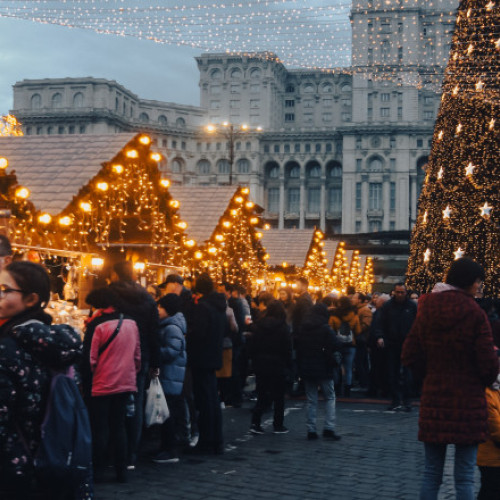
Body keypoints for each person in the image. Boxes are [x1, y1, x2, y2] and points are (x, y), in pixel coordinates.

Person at [402, 258, 499, 500]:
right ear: (469, 282)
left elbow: (409, 354)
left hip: (435, 398)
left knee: (431, 473)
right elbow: (488, 365)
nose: (479, 287)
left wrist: (429, 375)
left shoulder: (427, 310)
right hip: (468, 402)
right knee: (465, 476)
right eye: (478, 282)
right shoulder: (475, 314)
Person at [0, 261, 88, 499]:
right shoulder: (56, 344)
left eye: (4, 290)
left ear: (30, 299)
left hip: (12, 468)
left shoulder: (7, 347)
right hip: (54, 458)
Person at [109, 260, 160, 468]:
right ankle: (131, 453)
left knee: (112, 402)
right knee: (136, 402)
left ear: (114, 273)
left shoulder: (110, 294)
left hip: (113, 354)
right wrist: (155, 361)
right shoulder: (147, 297)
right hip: (142, 354)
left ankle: (113, 452)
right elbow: (154, 332)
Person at [88, 288, 141, 483]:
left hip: (102, 383)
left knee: (100, 427)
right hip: (125, 382)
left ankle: (99, 470)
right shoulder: (131, 323)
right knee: (119, 426)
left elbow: (91, 359)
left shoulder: (98, 326)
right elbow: (137, 355)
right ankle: (121, 470)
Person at [185, 273, 226, 454]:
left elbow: (198, 334)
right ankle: (216, 439)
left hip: (202, 357)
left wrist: (189, 337)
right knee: (212, 399)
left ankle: (206, 440)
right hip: (213, 355)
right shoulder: (219, 306)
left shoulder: (203, 307)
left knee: (204, 400)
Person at [296, 302, 342, 441]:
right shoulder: (325, 329)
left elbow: (298, 347)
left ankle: (311, 429)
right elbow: (336, 344)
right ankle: (329, 427)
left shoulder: (304, 328)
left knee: (311, 399)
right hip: (323, 366)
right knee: (330, 397)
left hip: (307, 366)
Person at [248, 300, 292, 434]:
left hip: (261, 363)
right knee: (279, 396)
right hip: (278, 364)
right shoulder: (284, 327)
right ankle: (278, 424)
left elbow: (253, 345)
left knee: (262, 394)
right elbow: (287, 349)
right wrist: (289, 365)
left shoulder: (259, 325)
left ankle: (256, 422)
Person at [153, 294, 187, 464]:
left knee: (168, 413)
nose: (157, 310)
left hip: (171, 376)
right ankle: (167, 446)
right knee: (167, 412)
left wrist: (155, 353)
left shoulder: (172, 327)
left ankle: (170, 449)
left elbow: (172, 351)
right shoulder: (168, 325)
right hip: (170, 376)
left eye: (160, 307)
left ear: (168, 309)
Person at [375, 283, 417, 411]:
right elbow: (380, 322)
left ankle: (407, 400)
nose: (399, 295)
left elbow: (417, 323)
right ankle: (395, 399)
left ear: (406, 293)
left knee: (407, 373)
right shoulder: (388, 306)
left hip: (407, 343)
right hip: (392, 343)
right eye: (397, 292)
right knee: (392, 373)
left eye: (402, 292)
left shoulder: (412, 306)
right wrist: (380, 336)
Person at [477, 359, 500, 500]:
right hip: (490, 459)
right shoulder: (487, 394)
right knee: (490, 490)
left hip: (494, 457)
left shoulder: (496, 392)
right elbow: (496, 429)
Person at [329, 296, 361, 398]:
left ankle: (337, 388)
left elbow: (330, 330)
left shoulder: (334, 316)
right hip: (351, 345)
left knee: (336, 367)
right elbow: (358, 331)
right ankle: (347, 390)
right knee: (348, 368)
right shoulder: (354, 315)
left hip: (337, 345)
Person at [351, 292, 372, 389]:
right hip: (359, 339)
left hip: (361, 339)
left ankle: (364, 383)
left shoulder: (365, 310)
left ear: (359, 300)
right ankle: (362, 382)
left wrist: (356, 329)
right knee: (360, 362)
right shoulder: (358, 309)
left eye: (354, 298)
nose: (352, 299)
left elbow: (366, 324)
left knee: (360, 362)